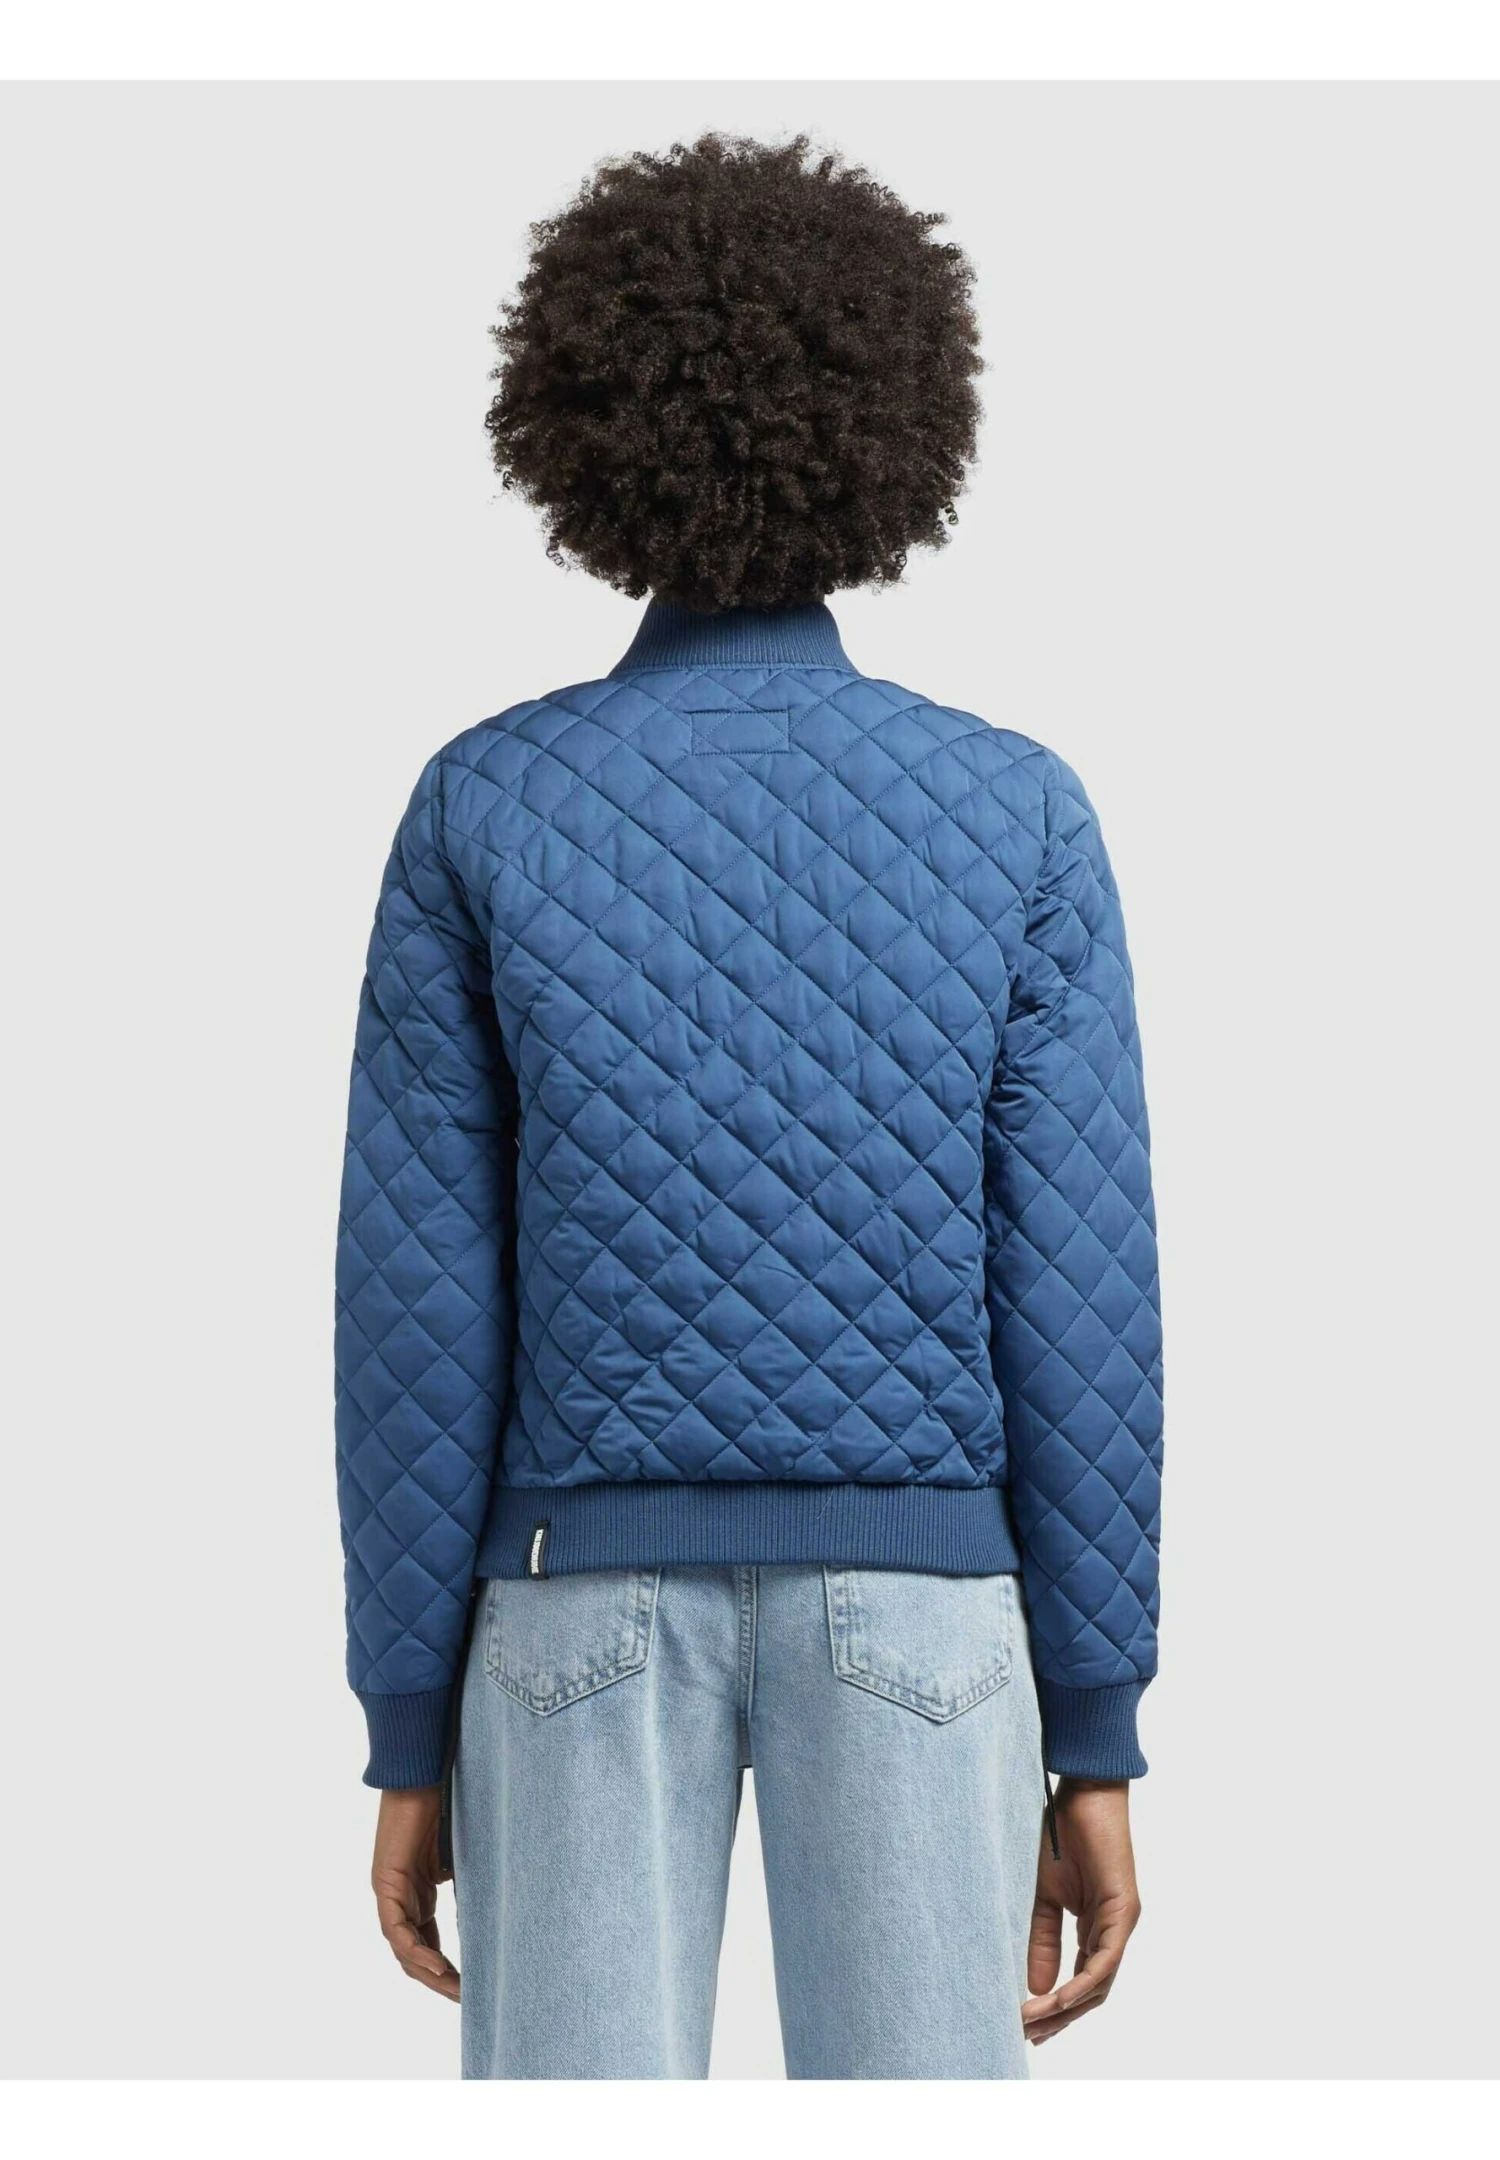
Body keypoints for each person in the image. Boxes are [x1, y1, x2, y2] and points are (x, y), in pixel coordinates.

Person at [335, 132, 1163, 2081]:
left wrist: (407, 1722)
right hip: (927, 1603)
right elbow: (1082, 1298)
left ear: (582, 423)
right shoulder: (1021, 812)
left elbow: (416, 1314)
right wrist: (1098, 1728)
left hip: (571, 1611)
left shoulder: (484, 805)